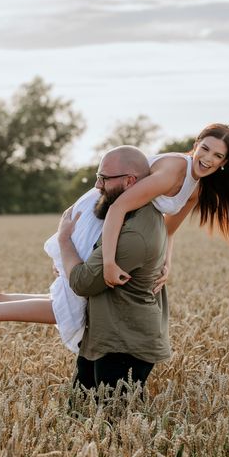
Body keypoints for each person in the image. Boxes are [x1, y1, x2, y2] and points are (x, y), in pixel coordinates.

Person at [0, 124, 229, 348]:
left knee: (76, 303)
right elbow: (116, 208)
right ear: (195, 144)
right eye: (205, 148)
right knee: (74, 307)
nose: (207, 158)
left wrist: (166, 265)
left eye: (217, 156)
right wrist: (108, 262)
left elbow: (167, 232)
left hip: (117, 222)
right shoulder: (173, 170)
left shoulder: (196, 189)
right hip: (100, 214)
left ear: (223, 165)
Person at [56, 146, 170, 391]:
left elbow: (83, 282)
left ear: (130, 181)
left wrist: (64, 241)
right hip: (105, 338)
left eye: (104, 178)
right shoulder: (130, 215)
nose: (97, 185)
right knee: (79, 415)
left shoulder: (134, 234)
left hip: (124, 344)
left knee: (116, 423)